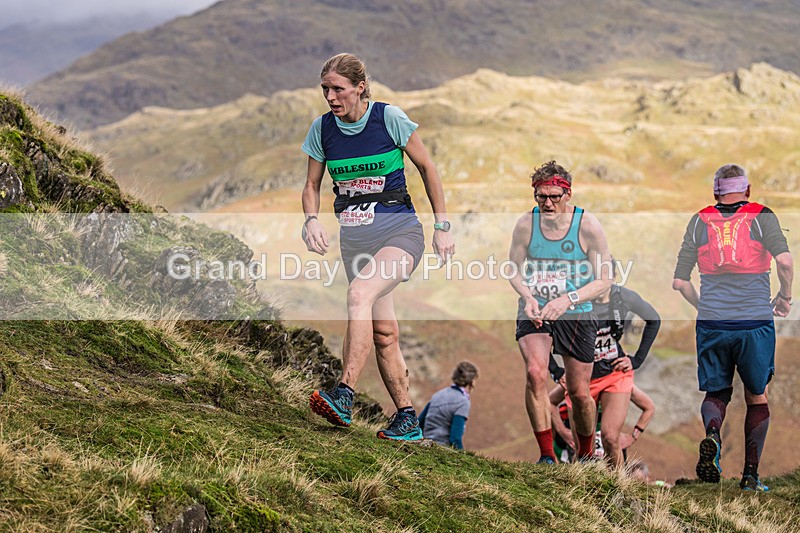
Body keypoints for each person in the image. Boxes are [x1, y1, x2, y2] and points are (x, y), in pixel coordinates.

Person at [302, 53, 455, 441]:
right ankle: (407, 418)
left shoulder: (388, 119)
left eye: (338, 89)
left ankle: (344, 393)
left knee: (359, 293)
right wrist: (311, 219)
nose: (331, 97)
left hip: (399, 233)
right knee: (384, 334)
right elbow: (311, 185)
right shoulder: (322, 130)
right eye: (325, 89)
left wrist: (442, 226)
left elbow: (428, 168)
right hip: (355, 242)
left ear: (360, 87)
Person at [672, 164, 793, 492]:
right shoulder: (762, 215)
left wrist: (704, 308)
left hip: (713, 321)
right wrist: (784, 296)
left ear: (716, 192)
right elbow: (784, 261)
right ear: (748, 190)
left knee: (717, 392)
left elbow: (680, 282)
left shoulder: (699, 220)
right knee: (757, 396)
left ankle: (712, 434)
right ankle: (750, 477)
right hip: (754, 321)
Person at [508, 160, 613, 463]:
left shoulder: (587, 225)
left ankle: (585, 454)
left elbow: (605, 278)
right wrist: (527, 296)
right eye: (541, 197)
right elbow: (513, 269)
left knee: (580, 394)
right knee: (535, 373)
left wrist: (568, 299)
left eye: (555, 196)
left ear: (568, 194)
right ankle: (546, 456)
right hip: (536, 306)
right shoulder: (526, 224)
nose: (548, 203)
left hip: (577, 311)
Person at [548, 281, 661, 466]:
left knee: (610, 438)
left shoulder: (624, 297)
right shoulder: (572, 299)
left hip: (615, 373)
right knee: (583, 448)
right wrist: (556, 370)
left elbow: (654, 319)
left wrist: (636, 360)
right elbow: (543, 332)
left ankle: (619, 487)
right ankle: (581, 489)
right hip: (581, 379)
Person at [418, 362, 479, 449]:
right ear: (471, 382)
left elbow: (419, 422)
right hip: (443, 448)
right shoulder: (463, 402)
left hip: (426, 445)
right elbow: (455, 438)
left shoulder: (438, 395)